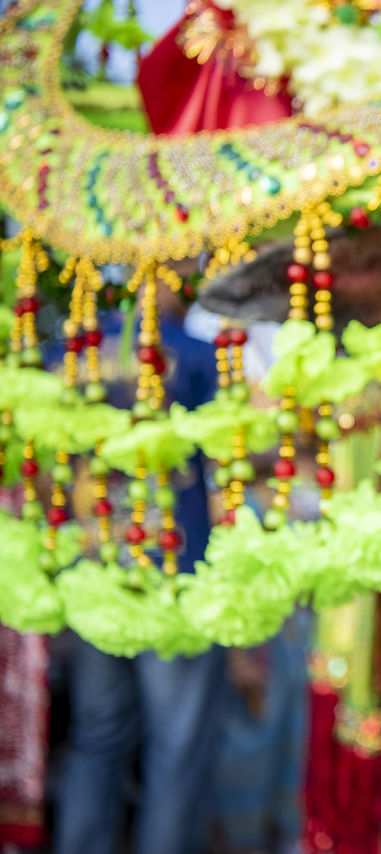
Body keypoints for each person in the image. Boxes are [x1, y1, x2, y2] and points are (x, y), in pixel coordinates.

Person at [54, 289, 225, 854]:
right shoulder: (195, 355)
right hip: (172, 564)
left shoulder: (69, 353)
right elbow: (232, 450)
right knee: (176, 745)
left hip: (95, 557)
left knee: (97, 734)